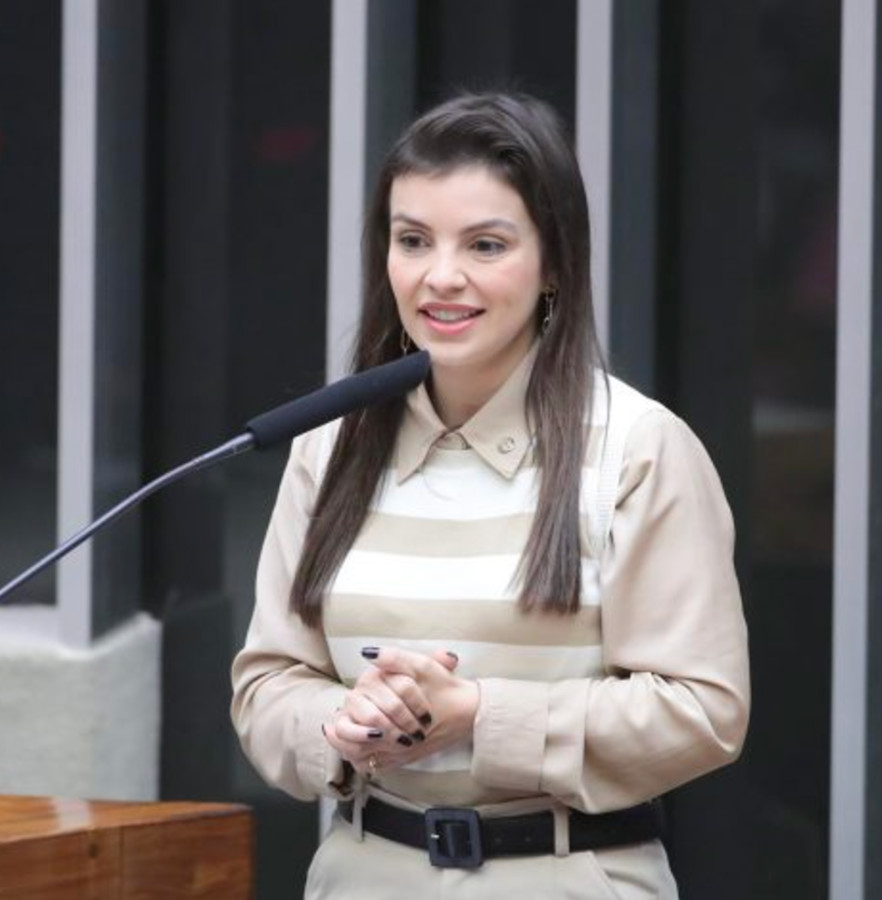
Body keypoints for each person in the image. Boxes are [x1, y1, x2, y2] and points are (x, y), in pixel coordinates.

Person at [231, 92, 750, 899]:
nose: (442, 277)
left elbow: (702, 712)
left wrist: (478, 713)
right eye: (413, 241)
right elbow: (268, 685)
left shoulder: (639, 448)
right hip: (361, 875)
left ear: (554, 263)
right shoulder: (328, 445)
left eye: (486, 244)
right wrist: (338, 725)